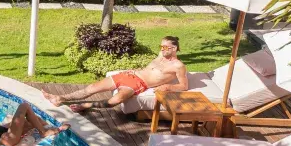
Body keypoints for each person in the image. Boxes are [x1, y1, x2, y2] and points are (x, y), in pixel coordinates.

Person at [46, 35, 189, 109]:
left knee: (115, 100)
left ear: (174, 49)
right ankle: (60, 97)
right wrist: (134, 70)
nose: (162, 50)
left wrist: (167, 86)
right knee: (93, 87)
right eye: (161, 47)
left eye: (166, 47)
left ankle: (86, 105)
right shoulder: (160, 55)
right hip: (130, 75)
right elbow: (149, 69)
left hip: (138, 84)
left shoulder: (178, 66)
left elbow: (184, 86)